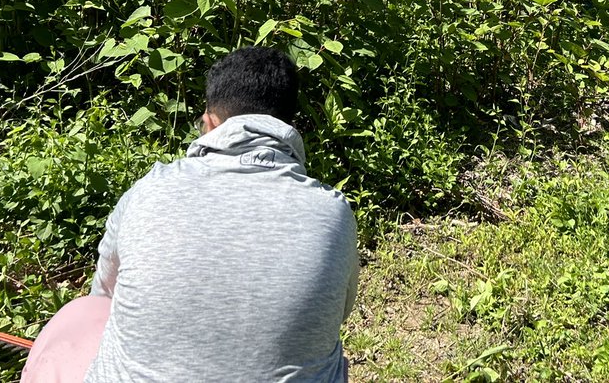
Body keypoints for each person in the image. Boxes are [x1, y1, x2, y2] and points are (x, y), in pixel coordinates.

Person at [21, 46, 359, 383]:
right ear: (287, 123)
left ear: (209, 122)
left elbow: (105, 295)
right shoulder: (335, 213)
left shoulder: (148, 191)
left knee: (84, 313)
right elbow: (338, 312)